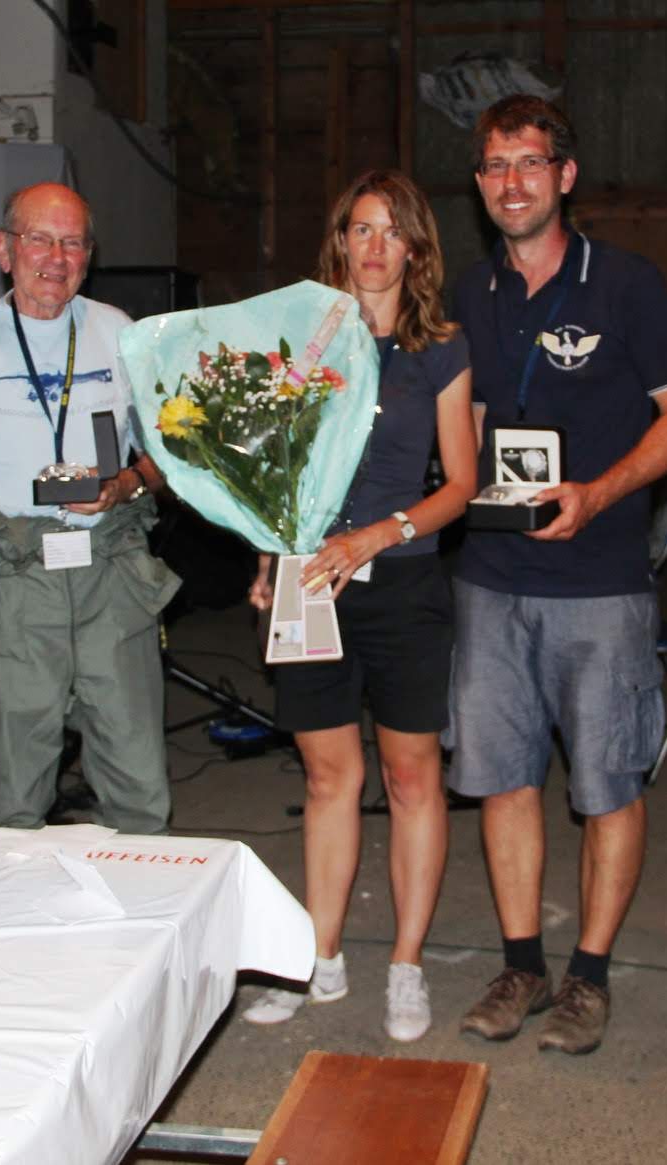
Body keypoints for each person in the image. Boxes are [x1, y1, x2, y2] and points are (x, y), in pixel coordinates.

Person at [448, 95, 667, 1055]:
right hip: (490, 577)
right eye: (494, 166)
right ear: (480, 184)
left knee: (606, 785)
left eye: (529, 162)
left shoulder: (626, 284)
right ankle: (522, 963)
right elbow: (470, 422)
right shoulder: (470, 293)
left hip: (599, 582)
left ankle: (588, 976)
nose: (511, 182)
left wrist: (598, 493)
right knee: (503, 779)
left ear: (564, 175)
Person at [241, 171, 476, 1042]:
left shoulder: (440, 347)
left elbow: (462, 483)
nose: (375, 246)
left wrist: (378, 535)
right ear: (340, 240)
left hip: (403, 580)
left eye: (391, 230)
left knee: (412, 778)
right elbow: (276, 470)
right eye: (361, 229)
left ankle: (407, 964)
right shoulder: (303, 341)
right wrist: (269, 559)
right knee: (328, 777)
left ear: (415, 247)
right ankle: (320, 957)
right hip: (310, 582)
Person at [0, 183, 178, 836]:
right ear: (5, 250)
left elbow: (170, 458)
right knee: (8, 804)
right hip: (7, 590)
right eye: (40, 239)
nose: (57, 258)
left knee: (140, 797)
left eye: (73, 242)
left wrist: (125, 485)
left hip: (109, 578)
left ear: (89, 255)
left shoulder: (118, 332)